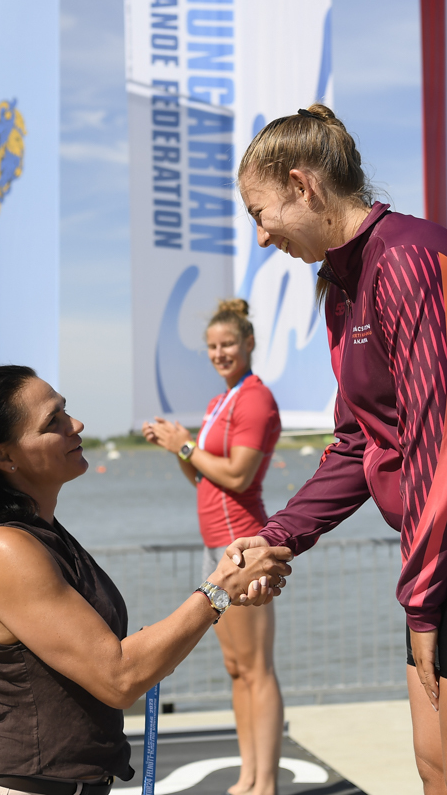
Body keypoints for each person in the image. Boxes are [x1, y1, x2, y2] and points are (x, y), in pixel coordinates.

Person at [226, 105, 447, 795]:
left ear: (303, 185)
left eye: (259, 213)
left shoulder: (410, 260)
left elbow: (437, 444)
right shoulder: (343, 286)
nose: (262, 236)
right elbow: (357, 443)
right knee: (436, 769)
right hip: (445, 557)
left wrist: (419, 602)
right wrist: (277, 536)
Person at [0, 365, 294, 795]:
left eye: (66, 411)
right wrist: (218, 589)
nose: (76, 425)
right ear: (4, 457)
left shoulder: (43, 534)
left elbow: (114, 662)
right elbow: (119, 678)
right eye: (53, 422)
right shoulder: (5, 549)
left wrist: (217, 599)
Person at [142, 299, 285, 795]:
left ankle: (266, 784)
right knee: (235, 668)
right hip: (216, 546)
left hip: (242, 544)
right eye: (212, 346)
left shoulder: (255, 399)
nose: (219, 353)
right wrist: (177, 447)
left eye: (228, 344)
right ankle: (249, 776)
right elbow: (203, 478)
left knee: (256, 667)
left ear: (249, 343)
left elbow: (238, 475)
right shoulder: (218, 402)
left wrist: (186, 445)